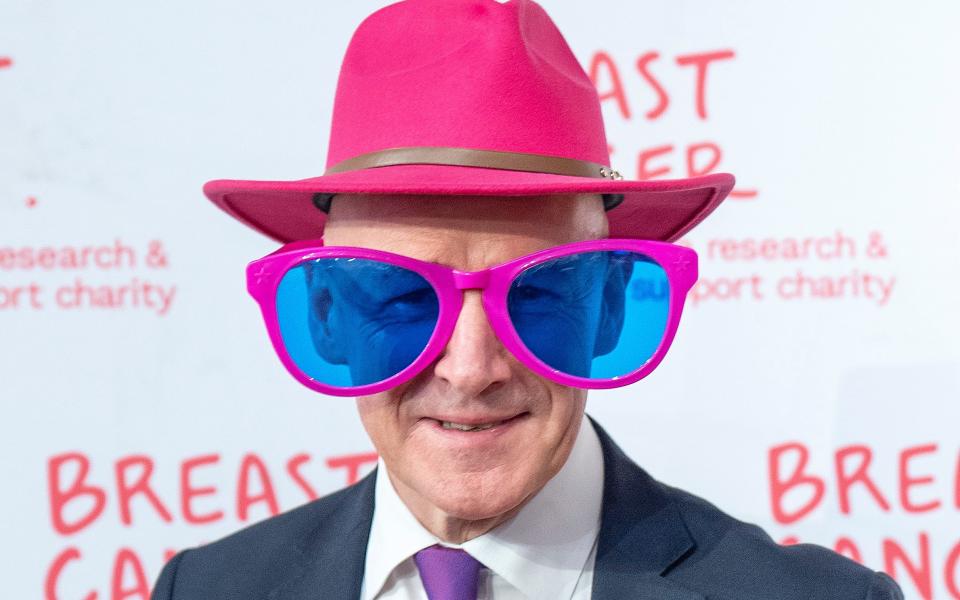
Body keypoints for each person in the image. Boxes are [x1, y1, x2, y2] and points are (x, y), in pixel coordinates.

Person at [152, 0, 904, 598]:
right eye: (399, 298)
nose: (471, 369)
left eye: (540, 293)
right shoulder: (208, 588)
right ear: (328, 318)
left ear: (609, 310)